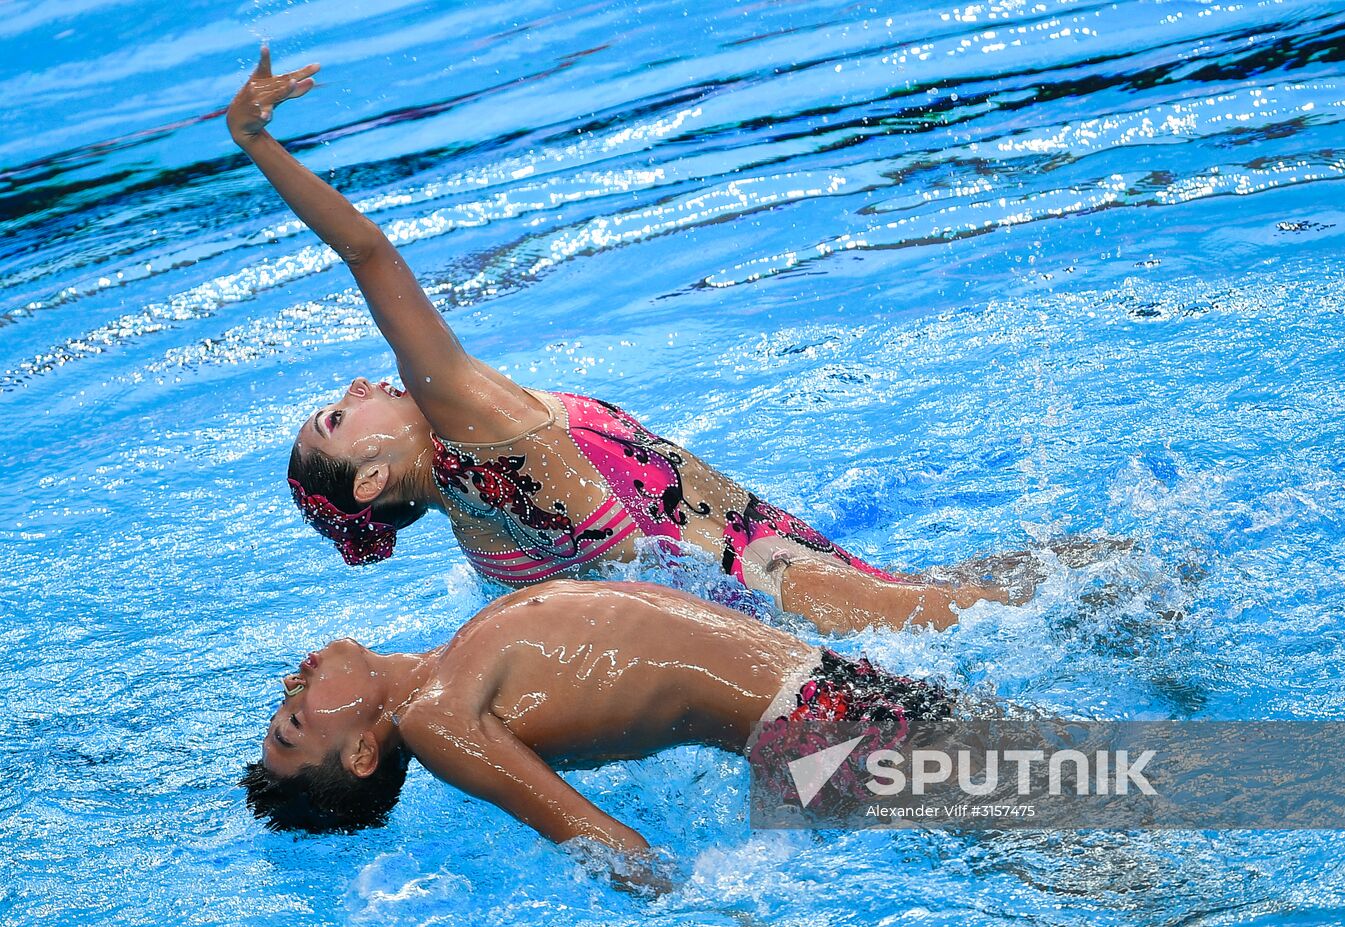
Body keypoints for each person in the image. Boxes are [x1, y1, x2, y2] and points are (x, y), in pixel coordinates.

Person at [228, 47, 1018, 634]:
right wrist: (257, 142)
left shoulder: (483, 545)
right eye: (337, 418)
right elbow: (368, 252)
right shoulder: (465, 419)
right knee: (1036, 602)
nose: (358, 388)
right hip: (776, 582)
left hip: (757, 609)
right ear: (371, 480)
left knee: (996, 589)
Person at [241, 579, 958, 889]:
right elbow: (600, 841)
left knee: (1049, 803)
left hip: (827, 706)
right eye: (296, 722)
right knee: (1055, 810)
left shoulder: (448, 665)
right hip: (822, 725)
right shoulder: (436, 718)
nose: (291, 685)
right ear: (363, 752)